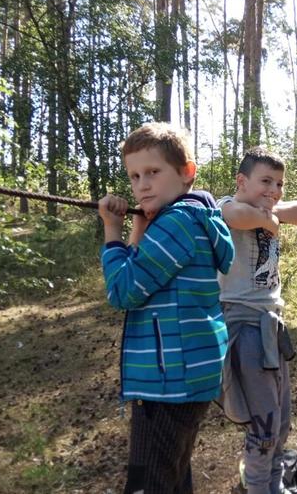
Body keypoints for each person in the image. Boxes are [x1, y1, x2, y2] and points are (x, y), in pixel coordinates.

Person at [97, 122, 235, 494]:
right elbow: (141, 272)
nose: (142, 185)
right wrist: (139, 226)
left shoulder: (175, 224)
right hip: (185, 374)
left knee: (150, 482)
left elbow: (123, 290)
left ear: (187, 172)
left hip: (168, 380)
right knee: (172, 475)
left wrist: (112, 230)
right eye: (135, 176)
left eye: (153, 172)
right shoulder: (192, 217)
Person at [217, 147, 297, 494]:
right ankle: (259, 486)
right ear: (241, 181)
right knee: (263, 425)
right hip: (244, 326)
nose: (274, 190)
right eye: (265, 181)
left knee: (280, 420)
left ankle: (273, 483)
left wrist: (272, 212)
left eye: (279, 184)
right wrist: (265, 219)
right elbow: (235, 215)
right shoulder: (227, 207)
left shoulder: (270, 208)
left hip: (271, 327)